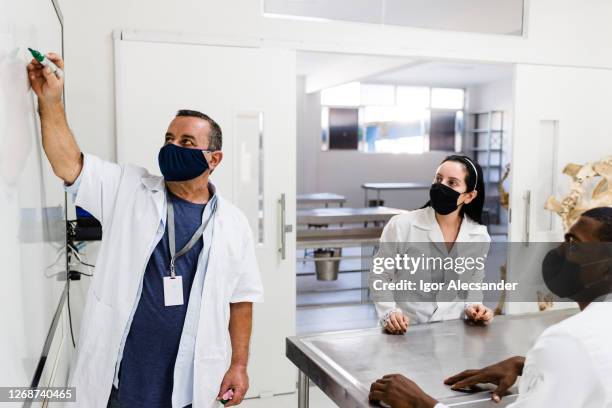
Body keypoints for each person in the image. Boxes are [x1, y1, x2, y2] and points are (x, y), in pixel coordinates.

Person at [28, 54, 263, 408]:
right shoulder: (129, 188)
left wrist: (239, 365)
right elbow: (67, 162)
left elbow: (241, 298)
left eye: (186, 143)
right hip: (122, 378)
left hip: (190, 383)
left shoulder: (233, 223)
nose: (172, 148)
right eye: (169, 139)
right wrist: (50, 101)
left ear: (214, 159)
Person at [369, 207, 612, 408]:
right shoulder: (587, 335)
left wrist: (420, 402)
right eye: (565, 239)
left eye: (574, 245)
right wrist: (526, 365)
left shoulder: (567, 339)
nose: (559, 251)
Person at [372, 155, 494, 334]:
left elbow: (473, 284)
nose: (441, 186)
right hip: (404, 329)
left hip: (452, 332)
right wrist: (389, 312)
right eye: (438, 179)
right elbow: (380, 275)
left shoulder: (479, 236)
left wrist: (474, 306)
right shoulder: (402, 225)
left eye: (452, 183)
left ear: (469, 196)